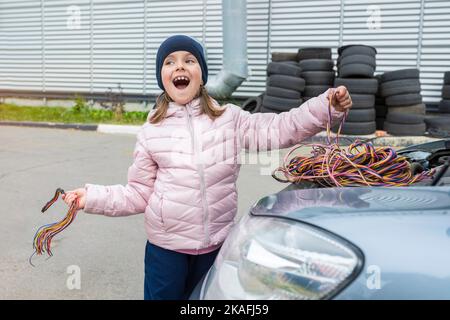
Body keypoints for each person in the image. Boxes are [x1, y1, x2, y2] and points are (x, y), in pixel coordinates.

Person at [62, 34, 353, 300]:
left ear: (201, 74)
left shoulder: (229, 119)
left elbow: (279, 128)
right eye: (170, 62)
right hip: (166, 251)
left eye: (190, 61)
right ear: (161, 77)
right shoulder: (151, 130)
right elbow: (138, 193)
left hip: (216, 246)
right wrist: (92, 197)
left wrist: (325, 107)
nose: (180, 67)